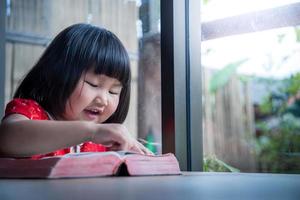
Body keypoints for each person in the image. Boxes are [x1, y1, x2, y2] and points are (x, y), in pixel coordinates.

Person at [0, 23, 152, 159]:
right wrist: (91, 131)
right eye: (93, 84)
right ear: (57, 75)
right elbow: (7, 138)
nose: (103, 99)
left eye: (113, 91)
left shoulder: (103, 144)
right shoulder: (32, 113)